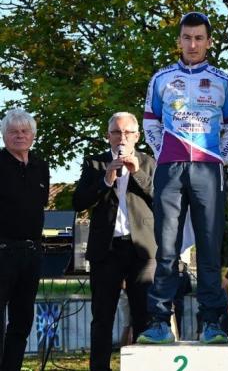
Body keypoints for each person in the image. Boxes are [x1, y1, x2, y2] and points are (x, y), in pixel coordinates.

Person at [140, 11, 228, 344]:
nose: (193, 44)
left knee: (210, 248)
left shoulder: (223, 80)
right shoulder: (161, 78)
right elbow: (151, 122)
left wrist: (219, 158)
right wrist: (163, 152)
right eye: (187, 37)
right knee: (167, 247)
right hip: (170, 168)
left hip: (208, 169)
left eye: (199, 38)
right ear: (179, 40)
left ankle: (211, 322)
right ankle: (159, 321)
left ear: (209, 42)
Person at [73, 112, 156, 370]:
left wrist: (137, 173)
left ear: (137, 136)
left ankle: (144, 366)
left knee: (144, 315)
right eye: (116, 133)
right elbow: (78, 202)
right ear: (108, 135)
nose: (122, 138)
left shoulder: (149, 162)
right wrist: (106, 180)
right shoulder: (95, 164)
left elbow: (162, 199)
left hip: (141, 249)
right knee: (102, 316)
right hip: (106, 250)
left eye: (127, 133)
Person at [0, 108, 50, 371]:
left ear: (32, 135)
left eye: (24, 131)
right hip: (2, 251)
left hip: (31, 253)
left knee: (22, 322)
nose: (19, 136)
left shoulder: (41, 165)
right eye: (13, 132)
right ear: (4, 135)